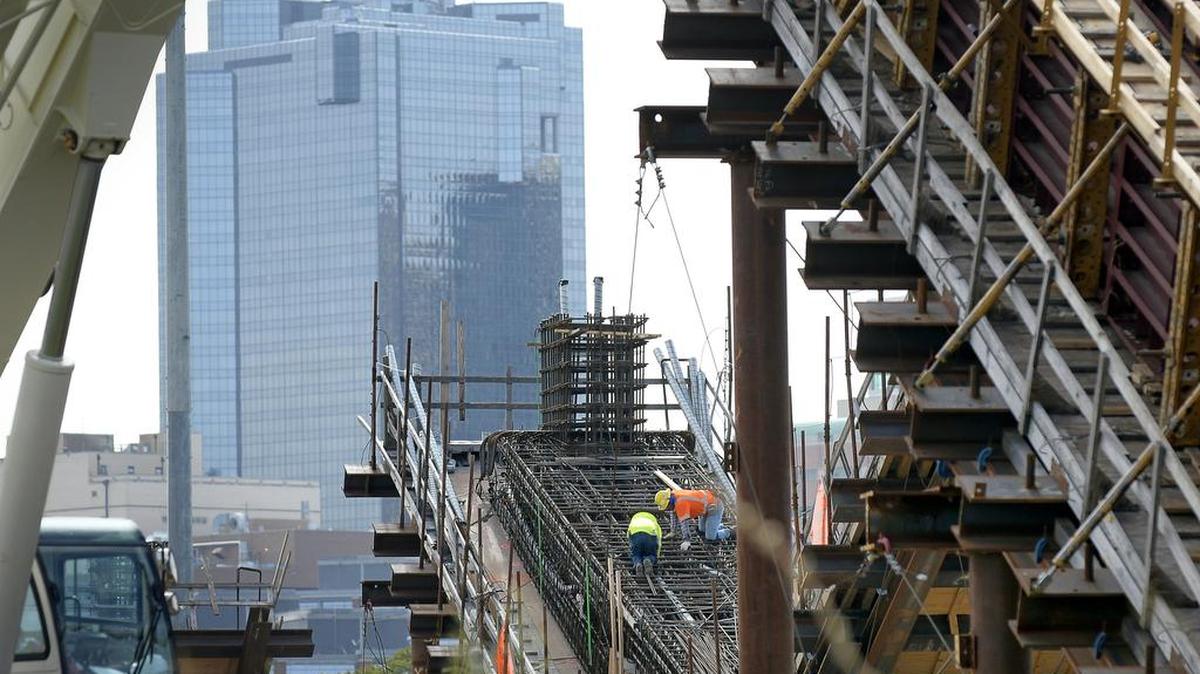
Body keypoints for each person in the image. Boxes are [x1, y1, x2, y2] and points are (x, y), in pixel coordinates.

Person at [655, 488, 732, 550]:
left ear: (669, 502)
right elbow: (673, 514)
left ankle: (730, 531)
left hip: (715, 507)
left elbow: (684, 523)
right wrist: (673, 532)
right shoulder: (674, 496)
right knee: (701, 531)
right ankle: (717, 526)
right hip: (705, 508)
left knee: (710, 538)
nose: (667, 509)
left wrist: (686, 540)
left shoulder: (681, 503)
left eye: (667, 507)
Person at [627, 511, 662, 579]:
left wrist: (632, 549)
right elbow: (658, 541)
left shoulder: (634, 520)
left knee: (636, 554)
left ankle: (638, 563)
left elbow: (629, 537)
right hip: (650, 533)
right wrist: (656, 555)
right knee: (651, 554)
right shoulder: (654, 522)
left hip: (635, 533)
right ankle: (648, 559)